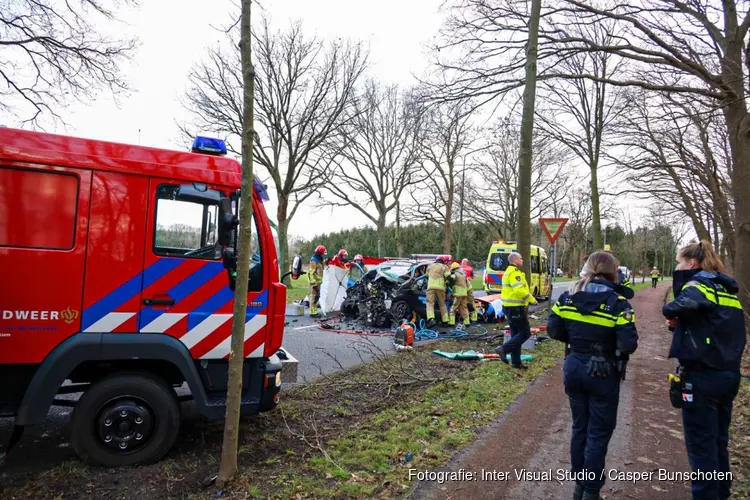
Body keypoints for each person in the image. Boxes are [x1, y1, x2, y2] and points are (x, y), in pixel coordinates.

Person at [547, 251, 639, 500]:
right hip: (602, 370)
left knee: (580, 427)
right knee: (598, 432)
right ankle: (590, 491)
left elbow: (553, 330)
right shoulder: (618, 303)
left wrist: (578, 341)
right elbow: (629, 343)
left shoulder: (567, 297)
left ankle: (580, 485)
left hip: (574, 365)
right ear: (613, 272)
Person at [662, 240, 746, 500]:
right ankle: (722, 493)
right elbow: (714, 326)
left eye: (679, 262)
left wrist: (671, 312)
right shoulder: (727, 290)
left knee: (701, 447)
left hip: (702, 376)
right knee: (719, 442)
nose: (677, 267)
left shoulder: (698, 285)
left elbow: (676, 306)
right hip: (729, 374)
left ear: (692, 263)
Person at [495, 252, 537, 369]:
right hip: (515, 309)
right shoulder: (514, 273)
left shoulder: (509, 272)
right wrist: (532, 300)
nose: (522, 260)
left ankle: (516, 362)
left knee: (515, 335)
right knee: (525, 333)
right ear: (514, 261)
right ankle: (503, 349)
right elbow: (519, 290)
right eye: (521, 258)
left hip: (510, 308)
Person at [426, 256, 451, 328]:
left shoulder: (430, 266)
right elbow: (448, 277)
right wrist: (446, 283)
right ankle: (445, 322)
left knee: (430, 303)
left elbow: (427, 276)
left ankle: (431, 319)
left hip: (430, 287)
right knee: (442, 304)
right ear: (443, 261)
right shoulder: (444, 267)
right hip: (441, 288)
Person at [448, 262, 471, 327]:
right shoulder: (463, 274)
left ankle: (451, 322)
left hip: (457, 294)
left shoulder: (455, 274)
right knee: (464, 308)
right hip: (464, 294)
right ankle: (467, 322)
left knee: (453, 307)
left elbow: (451, 280)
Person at [307, 245, 326, 317]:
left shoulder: (319, 260)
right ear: (320, 253)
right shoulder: (314, 261)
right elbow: (311, 273)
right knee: (313, 297)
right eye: (323, 253)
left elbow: (320, 267)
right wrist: (313, 283)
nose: (324, 255)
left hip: (318, 282)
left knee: (317, 296)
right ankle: (313, 313)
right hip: (314, 283)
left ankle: (314, 310)